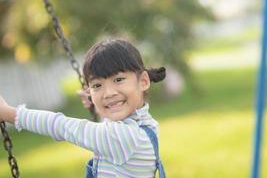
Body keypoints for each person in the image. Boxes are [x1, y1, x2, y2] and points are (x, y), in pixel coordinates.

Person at [0, 39, 166, 178]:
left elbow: (60, 126)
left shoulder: (124, 137)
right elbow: (110, 133)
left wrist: (9, 113)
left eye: (119, 79)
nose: (108, 93)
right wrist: (98, 109)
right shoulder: (146, 125)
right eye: (97, 85)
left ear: (143, 81)